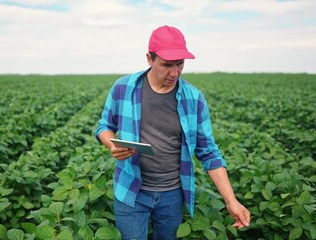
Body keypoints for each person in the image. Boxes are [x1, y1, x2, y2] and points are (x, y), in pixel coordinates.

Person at [95, 25, 250, 240]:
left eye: (180, 64)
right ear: (149, 59)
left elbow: (209, 153)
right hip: (131, 190)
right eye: (167, 65)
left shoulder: (194, 98)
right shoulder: (123, 88)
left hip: (172, 194)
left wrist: (231, 200)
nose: (174, 72)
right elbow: (104, 126)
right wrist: (111, 144)